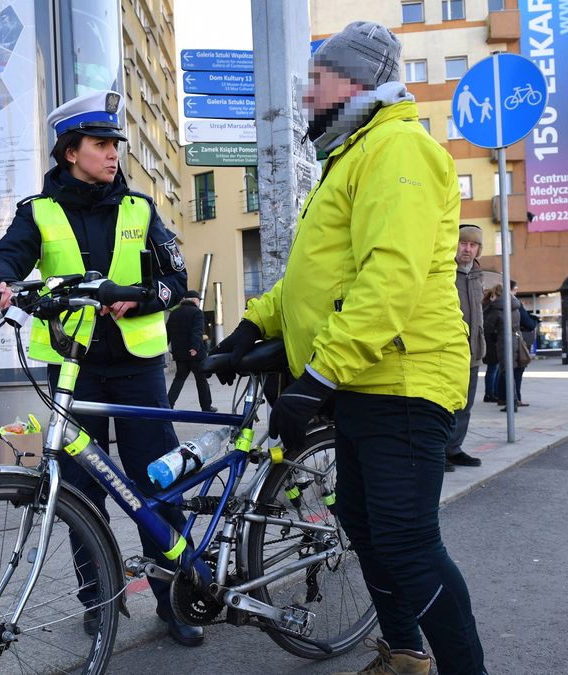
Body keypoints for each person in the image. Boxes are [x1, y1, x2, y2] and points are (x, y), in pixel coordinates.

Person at [212, 22, 485, 675]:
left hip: (404, 380)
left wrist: (316, 378)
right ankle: (405, 653)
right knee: (365, 527)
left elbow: (388, 277)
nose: (307, 95)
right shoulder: (352, 156)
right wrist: (252, 326)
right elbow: (318, 276)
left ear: (357, 81)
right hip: (366, 384)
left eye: (318, 80)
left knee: (407, 543)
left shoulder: (397, 150)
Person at [0, 90, 203, 647]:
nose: (113, 155)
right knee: (81, 492)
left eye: (114, 146)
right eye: (101, 145)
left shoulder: (140, 209)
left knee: (160, 484)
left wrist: (145, 298)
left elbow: (176, 278)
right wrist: (1, 284)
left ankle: (174, 599)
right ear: (69, 152)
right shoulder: (39, 212)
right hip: (73, 371)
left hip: (138, 370)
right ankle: (98, 601)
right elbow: (3, 258)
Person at [445, 224, 486, 472]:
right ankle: (438, 453)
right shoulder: (446, 272)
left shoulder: (478, 276)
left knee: (466, 405)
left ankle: (454, 449)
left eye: (473, 245)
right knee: (446, 405)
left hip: (473, 351)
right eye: (463, 243)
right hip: (451, 351)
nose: (467, 249)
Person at [166, 290, 216, 412]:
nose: (199, 302)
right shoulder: (197, 313)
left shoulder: (174, 313)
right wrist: (194, 347)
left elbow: (168, 332)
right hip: (195, 354)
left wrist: (166, 347)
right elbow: (197, 331)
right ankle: (206, 407)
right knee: (201, 380)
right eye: (198, 300)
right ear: (194, 300)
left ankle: (168, 404)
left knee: (179, 379)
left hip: (180, 354)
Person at [483, 282, 528, 411]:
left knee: (506, 372)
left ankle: (512, 402)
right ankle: (512, 400)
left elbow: (488, 327)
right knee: (511, 371)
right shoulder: (515, 306)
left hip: (503, 341)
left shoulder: (496, 308)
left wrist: (489, 305)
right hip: (516, 339)